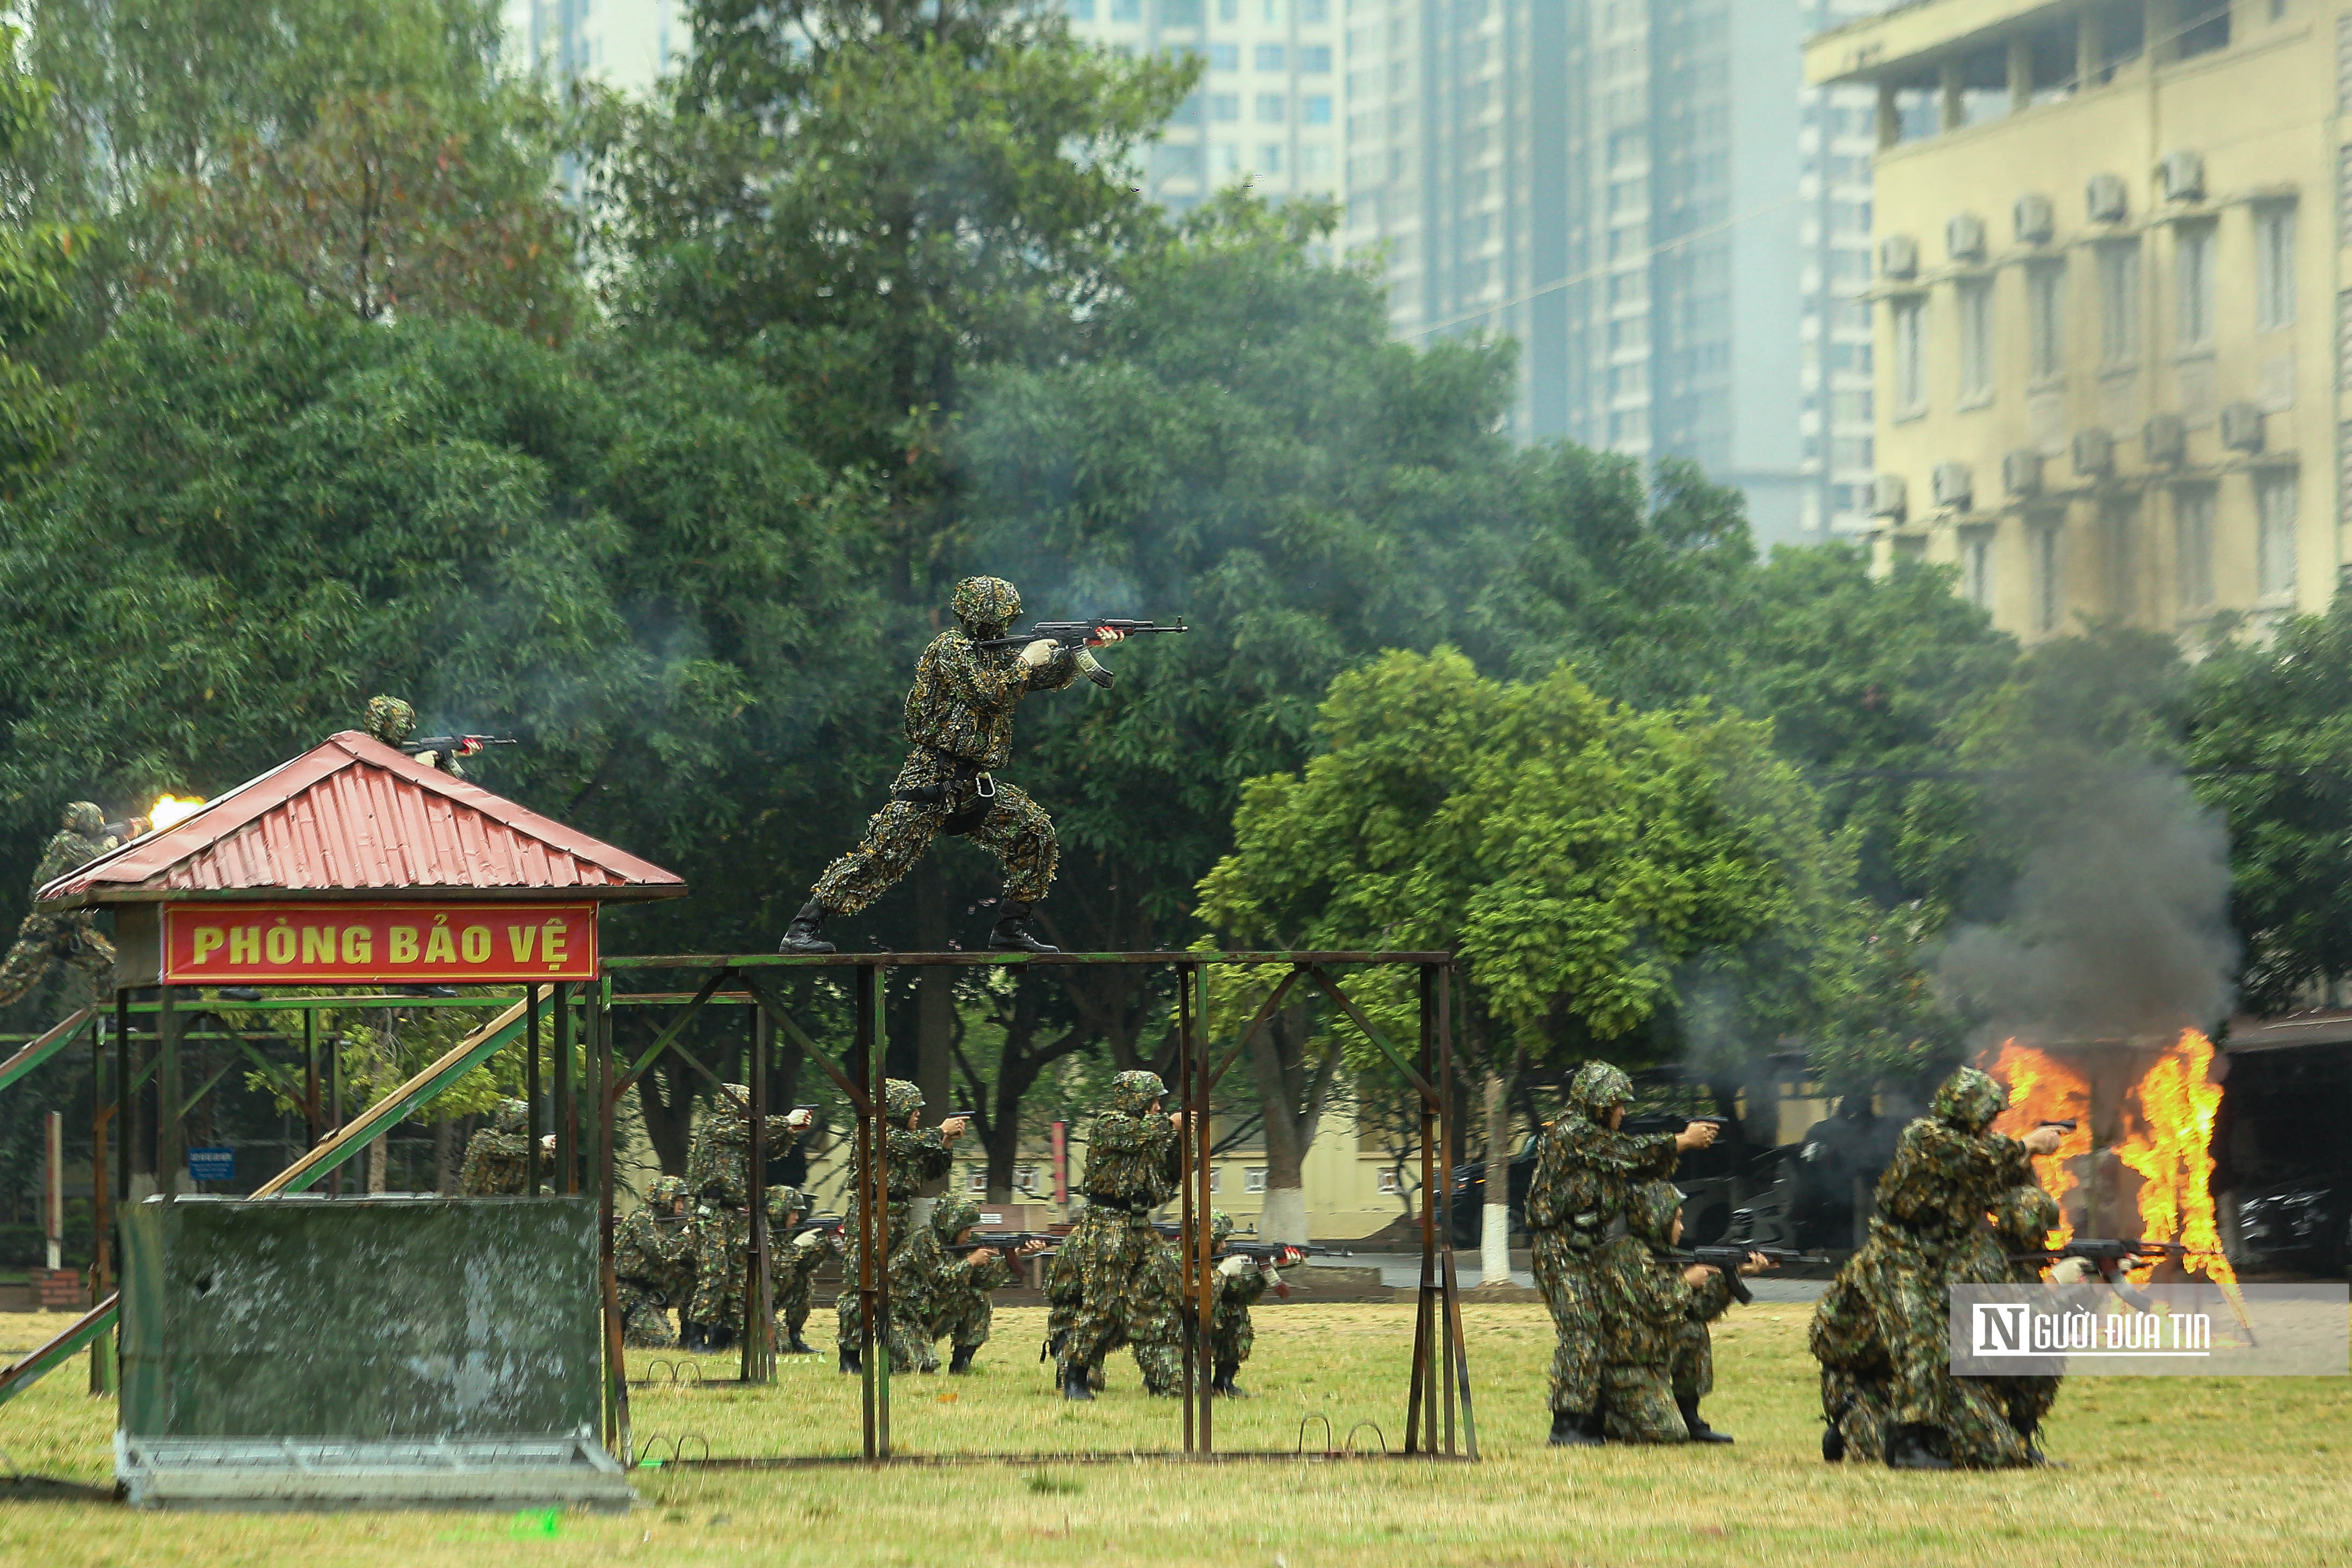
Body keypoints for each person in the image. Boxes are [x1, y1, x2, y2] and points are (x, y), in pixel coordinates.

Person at [779, 576, 1121, 956]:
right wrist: (1027, 658)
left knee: (1035, 834)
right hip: (933, 778)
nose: (1000, 625)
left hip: (974, 785)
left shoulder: (999, 654)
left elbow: (1040, 677)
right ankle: (802, 929)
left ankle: (1010, 929)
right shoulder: (950, 648)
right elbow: (991, 695)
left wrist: (1082, 649)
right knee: (882, 857)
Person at [1810, 1066, 2064, 1470]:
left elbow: (2015, 1194)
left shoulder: (1989, 1153)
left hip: (1949, 1252)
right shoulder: (1926, 1137)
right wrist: (2027, 1144)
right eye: (1985, 1116)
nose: (1990, 1124)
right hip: (1900, 1250)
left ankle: (2021, 1434)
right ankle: (1909, 1439)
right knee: (1920, 1335)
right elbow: (1973, 1160)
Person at [1523, 1061, 1721, 1447]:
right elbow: (1627, 1153)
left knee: (1603, 1328)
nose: (1623, 1113)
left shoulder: (1596, 1145)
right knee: (1582, 1329)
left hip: (1588, 1249)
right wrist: (1682, 1140)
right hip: (1560, 1250)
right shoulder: (1573, 1132)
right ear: (1598, 1104)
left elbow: (1638, 1169)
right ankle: (1568, 1424)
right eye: (1618, 1105)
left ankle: (1600, 1415)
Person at [1595, 1182, 1774, 1443]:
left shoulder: (1663, 1254)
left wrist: (1732, 1275)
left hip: (1653, 1359)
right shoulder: (1627, 1256)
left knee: (1693, 1328)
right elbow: (1655, 1306)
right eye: (1676, 1220)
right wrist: (1687, 1281)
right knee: (1669, 1434)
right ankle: (1608, 1417)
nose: (1683, 1227)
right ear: (1656, 1219)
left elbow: (1699, 1310)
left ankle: (1690, 1415)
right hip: (1627, 1367)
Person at [1051, 1069, 1185, 1401]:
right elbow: (1137, 1136)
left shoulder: (1152, 1133)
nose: (1158, 1107)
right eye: (1153, 1100)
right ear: (1137, 1099)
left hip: (1140, 1223)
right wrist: (1172, 1124)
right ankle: (1076, 1376)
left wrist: (1182, 1141)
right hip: (1107, 1224)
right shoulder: (1111, 1124)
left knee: (1165, 1290)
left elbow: (1168, 1174)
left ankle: (1164, 1374)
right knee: (1103, 1304)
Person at [834, 1079, 965, 1374]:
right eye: (912, 1109)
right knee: (862, 1283)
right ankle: (850, 1355)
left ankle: (896, 1349)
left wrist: (946, 1143)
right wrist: (940, 1131)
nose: (917, 1114)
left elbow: (930, 1170)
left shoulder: (911, 1139)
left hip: (899, 1212)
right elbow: (904, 1146)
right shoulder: (875, 1132)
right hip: (870, 1213)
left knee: (897, 1281)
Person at [682, 1084, 814, 1352]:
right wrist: (785, 1121)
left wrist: (789, 1132)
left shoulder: (742, 1136)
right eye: (747, 1108)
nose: (752, 1114)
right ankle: (695, 1337)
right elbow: (751, 1132)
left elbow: (767, 1150)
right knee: (715, 1273)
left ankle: (724, 1335)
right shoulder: (717, 1128)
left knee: (741, 1274)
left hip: (735, 1212)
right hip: (712, 1212)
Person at [0, 801, 142, 1008]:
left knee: (111, 965)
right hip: (45, 929)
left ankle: (108, 1017)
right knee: (10, 982)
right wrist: (118, 839)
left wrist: (120, 837)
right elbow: (97, 859)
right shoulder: (67, 841)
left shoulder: (82, 841)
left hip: (70, 931)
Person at [920, 1194, 1050, 1374]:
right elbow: (936, 1282)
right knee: (915, 1369)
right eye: (966, 1229)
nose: (970, 1234)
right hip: (916, 1316)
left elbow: (985, 1281)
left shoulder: (970, 1243)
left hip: (941, 1311)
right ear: (953, 1226)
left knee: (979, 1297)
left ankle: (961, 1363)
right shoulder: (925, 1244)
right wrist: (970, 1262)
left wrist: (1018, 1254)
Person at [1206, 1210, 1301, 1398]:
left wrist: (1273, 1264)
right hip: (1186, 1322)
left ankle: (1223, 1384)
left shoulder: (1219, 1259)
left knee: (1236, 1315)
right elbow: (1200, 1296)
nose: (1224, 1246)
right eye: (1220, 1242)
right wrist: (1223, 1272)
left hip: (1214, 1318)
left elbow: (1238, 1294)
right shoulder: (1181, 1261)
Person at [614, 1175, 696, 1348]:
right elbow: (658, 1255)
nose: (682, 1207)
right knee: (661, 1342)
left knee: (691, 1278)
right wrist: (686, 1235)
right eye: (678, 1201)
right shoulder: (642, 1219)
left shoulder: (667, 1224)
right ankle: (632, 1335)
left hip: (650, 1291)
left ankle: (691, 1337)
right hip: (628, 1292)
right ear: (665, 1197)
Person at [767, 1185, 830, 1355]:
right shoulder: (760, 1232)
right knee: (779, 1346)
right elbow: (773, 1268)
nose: (797, 1217)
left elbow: (803, 1266)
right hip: (748, 1308)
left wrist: (824, 1244)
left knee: (801, 1278)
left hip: (769, 1301)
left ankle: (795, 1336)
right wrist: (797, 1245)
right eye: (793, 1212)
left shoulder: (783, 1233)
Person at [361, 695, 466, 776]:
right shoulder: (367, 755)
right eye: (404, 723)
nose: (412, 727)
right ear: (385, 724)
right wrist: (419, 767)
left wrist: (449, 756)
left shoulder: (383, 751)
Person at [459, 1098, 539, 1195]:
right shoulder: (485, 1139)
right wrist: (544, 1144)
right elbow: (511, 1148)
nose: (526, 1128)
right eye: (523, 1124)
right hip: (473, 1204)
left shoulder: (519, 1149)